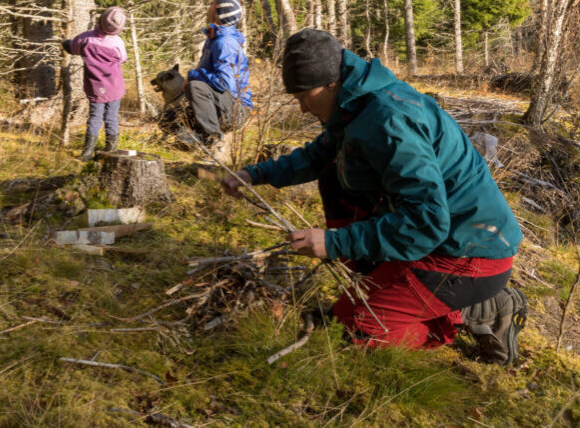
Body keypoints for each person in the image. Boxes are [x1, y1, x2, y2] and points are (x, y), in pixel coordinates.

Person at [220, 29, 527, 364]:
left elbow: (426, 221)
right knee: (333, 175)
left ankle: (476, 311)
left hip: (470, 253)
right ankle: (389, 281)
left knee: (354, 326)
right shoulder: (354, 104)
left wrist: (333, 243)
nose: (303, 109)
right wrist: (255, 174)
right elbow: (317, 156)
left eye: (304, 96)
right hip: (437, 238)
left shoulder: (387, 119)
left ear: (330, 83)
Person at [184, 0, 253, 148]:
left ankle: (214, 142)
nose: (208, 7)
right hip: (223, 103)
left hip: (235, 110)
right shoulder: (214, 38)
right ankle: (195, 141)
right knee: (169, 118)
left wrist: (193, 75)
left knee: (195, 86)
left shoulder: (224, 43)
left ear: (219, 12)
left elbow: (224, 83)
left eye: (212, 4)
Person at [62, 7, 128, 161]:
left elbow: (72, 48)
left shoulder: (85, 38)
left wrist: (65, 42)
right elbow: (122, 58)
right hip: (115, 86)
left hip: (95, 87)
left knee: (94, 118)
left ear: (101, 20)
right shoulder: (117, 42)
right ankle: (111, 151)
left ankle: (87, 154)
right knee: (111, 117)